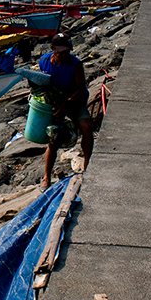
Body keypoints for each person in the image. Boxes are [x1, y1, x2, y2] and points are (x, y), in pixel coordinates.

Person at [38, 32, 94, 189]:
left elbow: (81, 90)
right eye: (60, 52)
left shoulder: (75, 65)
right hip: (56, 101)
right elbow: (42, 83)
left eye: (66, 52)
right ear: (53, 49)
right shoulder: (44, 61)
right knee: (53, 137)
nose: (64, 55)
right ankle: (46, 178)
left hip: (74, 100)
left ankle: (87, 167)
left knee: (87, 127)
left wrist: (67, 103)